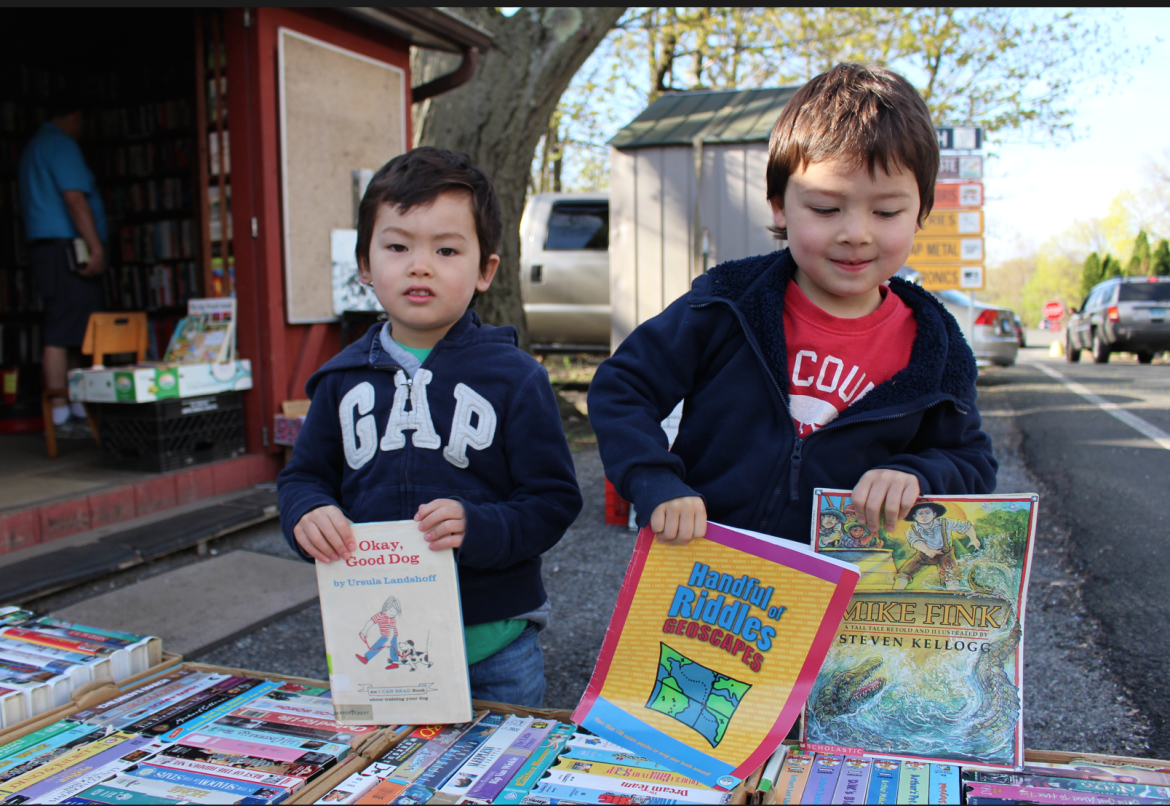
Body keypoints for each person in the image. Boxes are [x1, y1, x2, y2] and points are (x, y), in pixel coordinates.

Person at [588, 63, 996, 547]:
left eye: (886, 211)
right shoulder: (728, 304)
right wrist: (655, 480)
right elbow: (623, 388)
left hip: (843, 598)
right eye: (826, 208)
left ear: (921, 212)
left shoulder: (936, 345)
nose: (856, 233)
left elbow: (972, 461)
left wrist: (918, 475)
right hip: (703, 580)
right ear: (780, 205)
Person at [277, 147, 582, 707]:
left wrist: (480, 526)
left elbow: (554, 500)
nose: (420, 265)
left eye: (446, 249)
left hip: (496, 644)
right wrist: (306, 515)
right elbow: (302, 480)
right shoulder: (339, 381)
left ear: (486, 269)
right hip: (375, 647)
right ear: (365, 266)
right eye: (397, 247)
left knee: (497, 783)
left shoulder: (516, 380)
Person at [17, 91, 107, 437]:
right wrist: (96, 248)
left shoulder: (33, 147)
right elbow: (74, 199)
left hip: (46, 250)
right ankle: (60, 416)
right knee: (61, 330)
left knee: (72, 330)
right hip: (65, 249)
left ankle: (73, 408)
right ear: (74, 115)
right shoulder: (60, 145)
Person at [894, 501, 979, 589]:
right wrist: (927, 550)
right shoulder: (912, 530)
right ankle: (896, 592)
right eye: (920, 513)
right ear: (915, 516)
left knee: (951, 574)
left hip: (945, 554)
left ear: (934, 514)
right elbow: (916, 541)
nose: (924, 516)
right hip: (923, 555)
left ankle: (953, 592)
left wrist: (974, 539)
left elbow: (966, 526)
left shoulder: (945, 523)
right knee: (905, 572)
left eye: (927, 512)